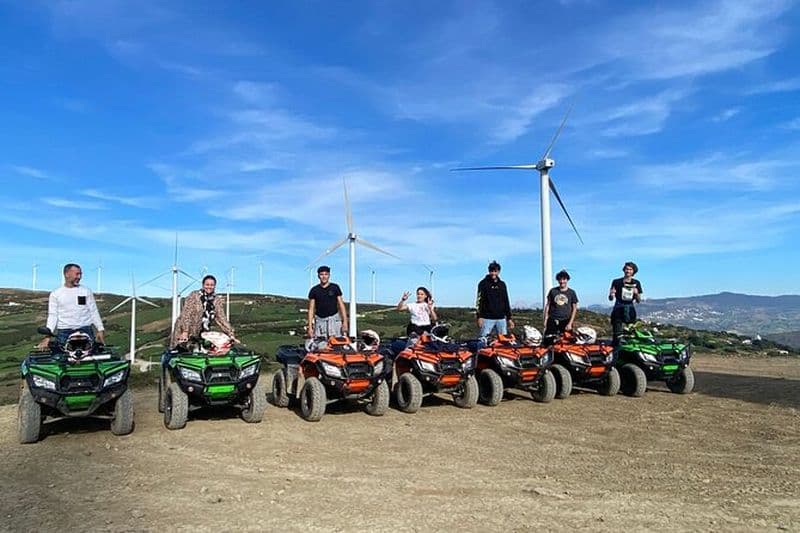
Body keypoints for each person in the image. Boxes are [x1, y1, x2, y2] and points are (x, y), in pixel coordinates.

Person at [38, 263, 105, 348]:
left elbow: (93, 311)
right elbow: (53, 316)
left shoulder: (86, 291)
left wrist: (100, 329)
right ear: (66, 274)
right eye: (77, 274)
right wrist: (47, 336)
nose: (79, 277)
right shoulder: (56, 294)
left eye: (80, 274)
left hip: (85, 330)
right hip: (64, 332)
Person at [171, 275, 236, 348]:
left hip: (200, 332)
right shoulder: (194, 296)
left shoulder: (216, 300)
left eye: (212, 285)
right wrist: (185, 331)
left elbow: (221, 317)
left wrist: (230, 333)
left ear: (215, 286)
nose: (209, 287)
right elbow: (186, 314)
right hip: (184, 329)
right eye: (207, 284)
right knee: (180, 351)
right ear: (203, 285)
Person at [307, 265, 348, 338]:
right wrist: (310, 327)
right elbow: (311, 309)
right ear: (318, 276)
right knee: (321, 346)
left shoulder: (335, 287)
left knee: (337, 345)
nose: (324, 276)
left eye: (326, 274)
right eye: (321, 274)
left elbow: (341, 305)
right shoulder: (314, 290)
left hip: (334, 320)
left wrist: (345, 322)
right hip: (320, 321)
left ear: (329, 275)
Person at [476, 261, 514, 339]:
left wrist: (509, 318)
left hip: (501, 319)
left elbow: (506, 301)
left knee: (503, 342)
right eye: (491, 271)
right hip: (487, 318)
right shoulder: (483, 284)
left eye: (495, 271)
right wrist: (479, 317)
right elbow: (479, 301)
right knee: (483, 341)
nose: (493, 273)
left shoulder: (502, 284)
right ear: (489, 271)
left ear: (499, 271)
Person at [609, 261, 643, 345]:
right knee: (617, 332)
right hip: (618, 307)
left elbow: (638, 301)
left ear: (633, 271)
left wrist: (637, 293)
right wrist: (611, 294)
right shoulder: (616, 282)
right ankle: (615, 351)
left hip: (630, 307)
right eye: (626, 269)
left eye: (630, 269)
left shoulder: (636, 283)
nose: (628, 271)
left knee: (631, 331)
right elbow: (610, 298)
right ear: (624, 270)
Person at [543, 270, 578, 340]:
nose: (562, 281)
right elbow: (548, 305)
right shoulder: (553, 291)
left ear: (567, 280)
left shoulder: (571, 292)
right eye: (560, 279)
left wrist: (570, 323)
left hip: (566, 320)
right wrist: (545, 319)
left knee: (567, 342)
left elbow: (574, 308)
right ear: (558, 280)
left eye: (564, 279)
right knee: (548, 341)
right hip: (553, 320)